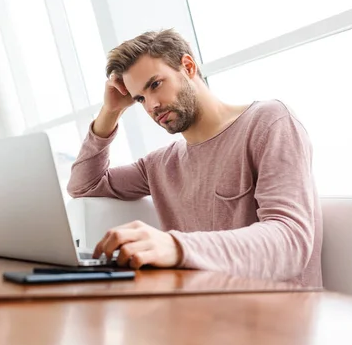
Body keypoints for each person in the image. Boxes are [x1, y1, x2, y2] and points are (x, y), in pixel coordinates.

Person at [67, 29, 322, 286]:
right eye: (140, 98)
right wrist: (110, 111)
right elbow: (84, 185)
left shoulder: (268, 122)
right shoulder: (160, 164)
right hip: (200, 310)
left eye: (155, 85)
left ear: (188, 67)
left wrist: (176, 247)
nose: (151, 105)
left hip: (276, 315)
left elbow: (291, 241)